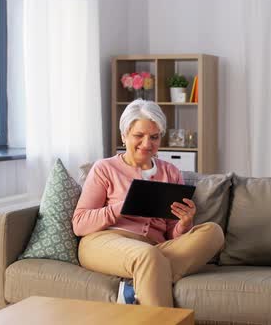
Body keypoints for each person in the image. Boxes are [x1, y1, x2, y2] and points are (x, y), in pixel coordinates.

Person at [72, 99, 225, 307]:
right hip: (104, 242)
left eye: (154, 137)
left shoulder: (170, 172)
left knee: (213, 232)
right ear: (124, 136)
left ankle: (138, 284)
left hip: (154, 247)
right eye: (138, 136)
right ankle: (149, 276)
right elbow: (80, 223)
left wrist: (184, 223)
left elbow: (172, 234)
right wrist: (121, 207)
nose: (147, 144)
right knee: (149, 256)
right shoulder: (104, 169)